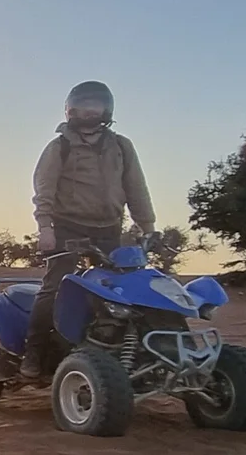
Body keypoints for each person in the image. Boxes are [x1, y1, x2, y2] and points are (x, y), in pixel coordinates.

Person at [20, 80, 157, 378]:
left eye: (96, 105)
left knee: (124, 290)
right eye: (83, 105)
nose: (90, 111)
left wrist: (147, 226)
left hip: (109, 228)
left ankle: (122, 350)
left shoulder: (121, 146)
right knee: (55, 287)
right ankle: (34, 352)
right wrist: (45, 227)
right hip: (68, 226)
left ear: (107, 109)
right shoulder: (60, 147)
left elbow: (136, 188)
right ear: (71, 110)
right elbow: (43, 189)